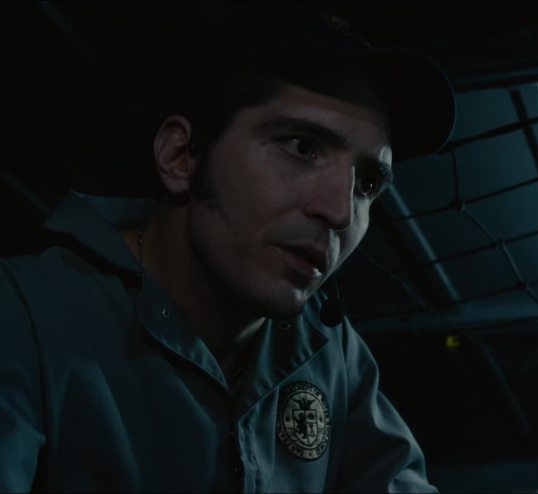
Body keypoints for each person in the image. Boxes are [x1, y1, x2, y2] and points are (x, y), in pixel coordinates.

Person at [0, 5, 455, 493]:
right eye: (301, 146)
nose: (341, 212)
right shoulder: (24, 312)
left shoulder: (332, 353)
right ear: (181, 157)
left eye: (366, 183)